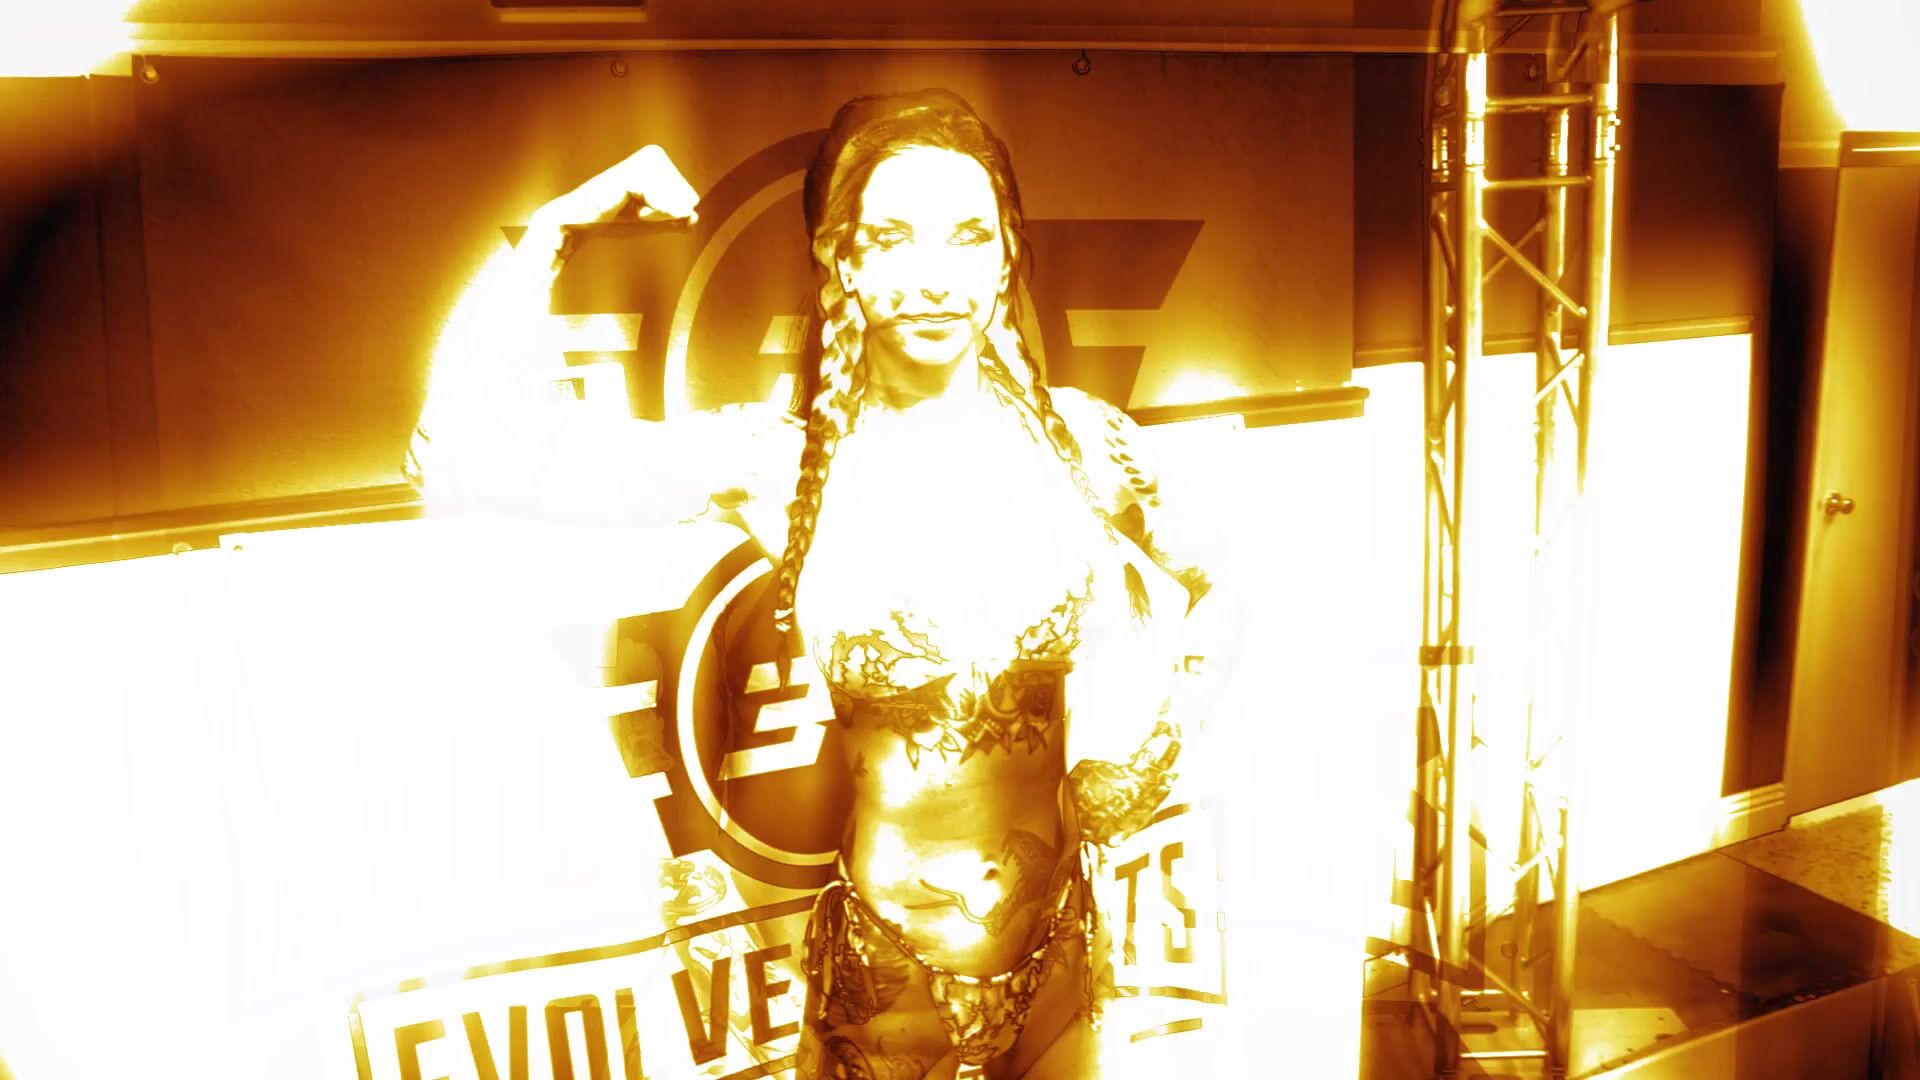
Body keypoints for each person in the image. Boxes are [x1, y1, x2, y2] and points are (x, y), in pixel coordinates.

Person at [414, 88, 1238, 1080]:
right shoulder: (785, 469)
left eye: (968, 236)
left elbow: (1221, 576)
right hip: (888, 989)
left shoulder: (1083, 447)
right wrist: (557, 232)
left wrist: (1154, 756)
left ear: (1006, 254)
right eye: (891, 239)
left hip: (1060, 956)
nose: (934, 279)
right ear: (841, 259)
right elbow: (460, 456)